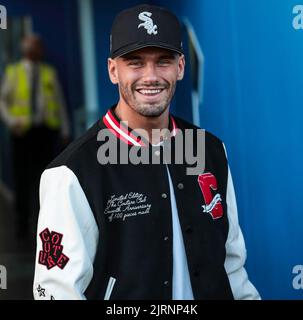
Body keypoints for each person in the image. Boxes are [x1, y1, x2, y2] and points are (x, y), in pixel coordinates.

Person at [33, 4, 260, 300]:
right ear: (113, 70)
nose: (150, 76)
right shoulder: (72, 172)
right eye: (135, 62)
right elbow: (56, 292)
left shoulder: (210, 150)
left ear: (180, 67)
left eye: (163, 61)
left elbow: (232, 265)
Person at [0, 34, 70, 239]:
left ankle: (44, 222)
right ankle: (22, 225)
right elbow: (2, 101)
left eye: (39, 45)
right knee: (22, 178)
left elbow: (59, 101)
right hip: (22, 133)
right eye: (33, 45)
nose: (38, 49)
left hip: (46, 132)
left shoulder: (49, 72)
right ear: (25, 49)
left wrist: (65, 129)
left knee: (46, 177)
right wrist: (12, 121)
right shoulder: (13, 72)